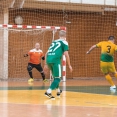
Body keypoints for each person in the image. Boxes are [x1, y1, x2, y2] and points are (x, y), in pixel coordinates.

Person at [44, 30, 73, 99]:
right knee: (58, 79)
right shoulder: (64, 42)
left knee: (55, 77)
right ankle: (48, 91)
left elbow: (46, 53)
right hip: (56, 61)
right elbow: (66, 54)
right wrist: (69, 65)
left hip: (48, 60)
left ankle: (58, 90)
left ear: (59, 36)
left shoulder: (53, 42)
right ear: (65, 36)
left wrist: (45, 64)